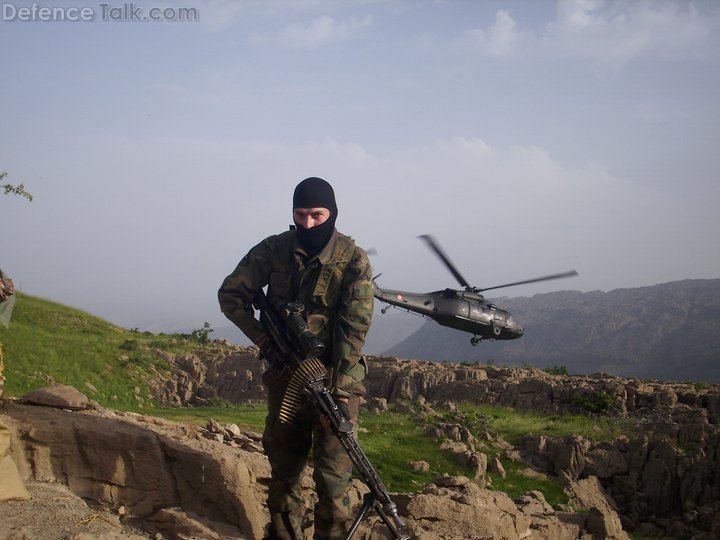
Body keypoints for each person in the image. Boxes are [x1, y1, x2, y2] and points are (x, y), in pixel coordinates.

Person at [218, 177, 374, 539]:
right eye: (300, 215)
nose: (308, 224)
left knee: (334, 483)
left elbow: (353, 334)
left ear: (332, 214)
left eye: (317, 216)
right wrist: (264, 340)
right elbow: (231, 295)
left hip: (335, 382)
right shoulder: (274, 249)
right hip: (287, 378)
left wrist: (336, 395)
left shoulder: (353, 261)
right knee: (284, 474)